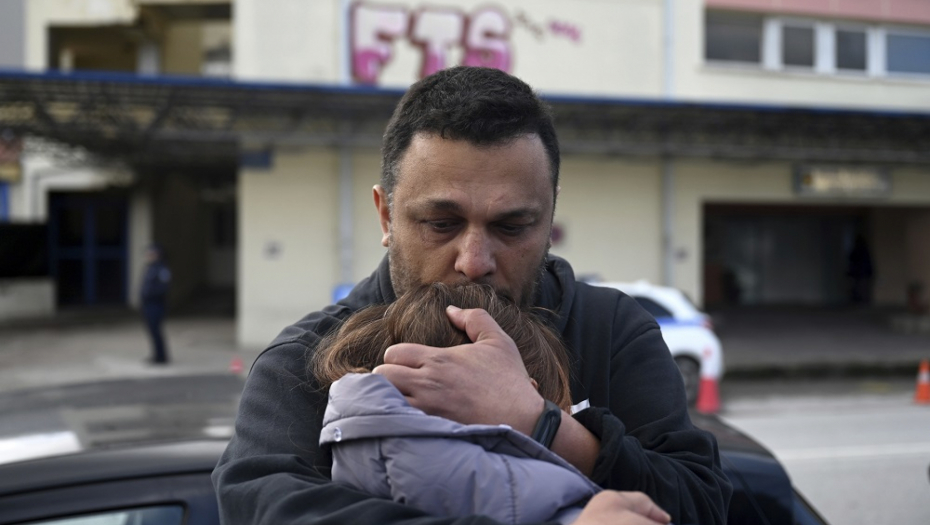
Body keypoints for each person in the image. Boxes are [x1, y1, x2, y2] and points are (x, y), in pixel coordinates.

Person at [212, 66, 731, 525]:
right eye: (441, 223)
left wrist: (542, 424)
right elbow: (263, 508)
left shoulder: (613, 330)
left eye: (512, 227)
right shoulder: (303, 361)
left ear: (549, 219)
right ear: (386, 216)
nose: (474, 261)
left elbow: (701, 504)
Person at [317, 282, 597, 524]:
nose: (472, 263)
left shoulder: (333, 483)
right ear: (531, 391)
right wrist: (537, 418)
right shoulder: (571, 510)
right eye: (560, 409)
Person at [140, 244, 171, 365]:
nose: (148, 256)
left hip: (156, 305)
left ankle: (161, 357)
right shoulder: (150, 268)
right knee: (152, 331)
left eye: (151, 254)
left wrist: (150, 295)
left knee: (156, 331)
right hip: (148, 305)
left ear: (157, 255)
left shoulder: (162, 269)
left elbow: (163, 288)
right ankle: (156, 355)